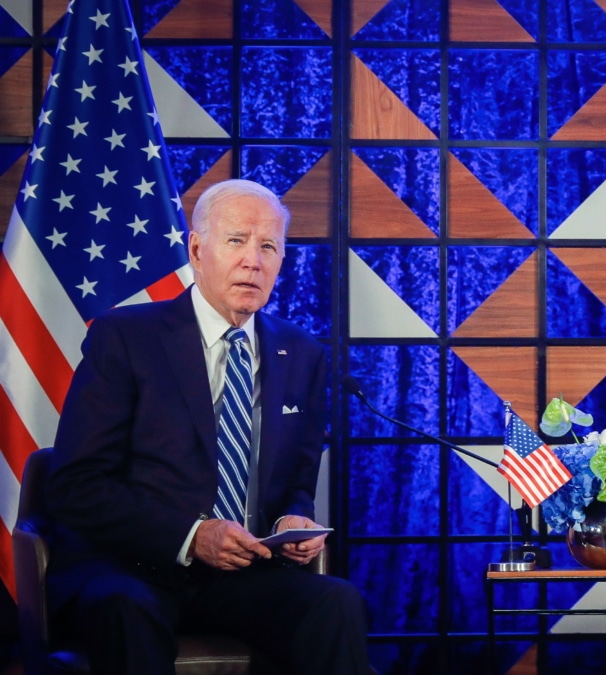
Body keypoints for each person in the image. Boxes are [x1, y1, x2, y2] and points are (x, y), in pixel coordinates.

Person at [46, 179, 372, 674]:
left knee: (337, 602)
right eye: (237, 240)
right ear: (197, 249)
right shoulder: (126, 337)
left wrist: (293, 521)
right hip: (130, 565)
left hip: (243, 573)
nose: (253, 261)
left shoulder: (302, 354)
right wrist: (191, 535)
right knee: (125, 611)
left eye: (269, 246)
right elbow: (75, 485)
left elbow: (297, 484)